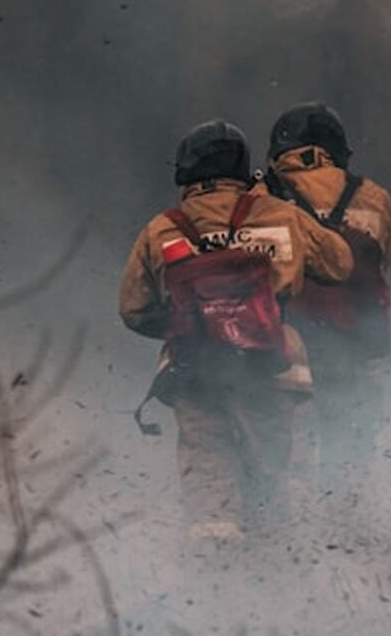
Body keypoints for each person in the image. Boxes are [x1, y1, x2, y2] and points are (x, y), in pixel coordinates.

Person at [118, 119, 352, 542]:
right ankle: (286, 572)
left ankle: (218, 584)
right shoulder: (282, 215)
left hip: (195, 371)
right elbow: (340, 264)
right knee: (278, 473)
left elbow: (133, 309)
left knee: (209, 475)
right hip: (275, 367)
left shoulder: (161, 229)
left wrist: (194, 322)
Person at [263, 102, 391, 499]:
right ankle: (349, 543)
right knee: (351, 453)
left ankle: (289, 543)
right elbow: (384, 257)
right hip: (355, 342)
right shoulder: (374, 198)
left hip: (284, 345)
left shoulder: (260, 196)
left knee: (289, 453)